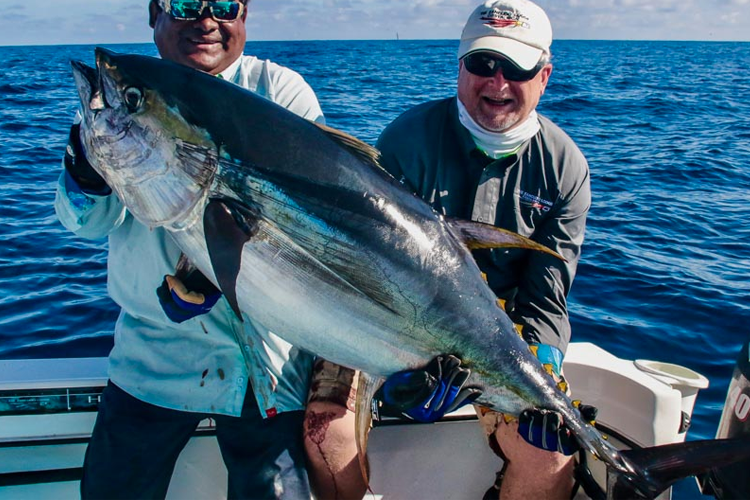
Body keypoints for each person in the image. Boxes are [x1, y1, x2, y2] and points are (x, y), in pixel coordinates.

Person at [55, 1, 330, 498]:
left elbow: (310, 221)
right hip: (153, 357)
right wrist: (84, 172)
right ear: (153, 15)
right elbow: (86, 223)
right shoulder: (125, 104)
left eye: (225, 5)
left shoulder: (280, 92)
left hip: (267, 363)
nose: (206, 21)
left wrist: (212, 275)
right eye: (184, 4)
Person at [373, 0, 592, 498]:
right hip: (392, 322)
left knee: (552, 458)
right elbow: (374, 270)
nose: (497, 84)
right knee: (327, 429)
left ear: (545, 76)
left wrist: (542, 362)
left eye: (517, 68)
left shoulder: (565, 168)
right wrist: (396, 367)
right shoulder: (405, 141)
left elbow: (544, 299)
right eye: (482, 64)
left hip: (500, 340)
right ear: (460, 67)